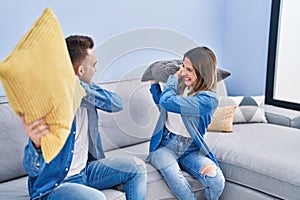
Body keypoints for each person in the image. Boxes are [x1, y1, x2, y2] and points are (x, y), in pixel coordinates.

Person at [21, 35, 147, 200]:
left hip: (85, 172)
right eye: (93, 65)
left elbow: (116, 104)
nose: (95, 70)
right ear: (80, 70)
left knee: (137, 167)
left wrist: (80, 87)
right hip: (56, 186)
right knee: (97, 198)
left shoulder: (87, 93)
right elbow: (31, 167)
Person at [148, 46, 225, 200]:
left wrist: (173, 79)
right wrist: (154, 84)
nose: (183, 72)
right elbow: (163, 104)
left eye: (189, 69)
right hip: (164, 146)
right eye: (183, 66)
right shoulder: (181, 86)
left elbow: (167, 101)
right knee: (175, 178)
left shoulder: (208, 100)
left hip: (191, 150)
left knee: (216, 179)